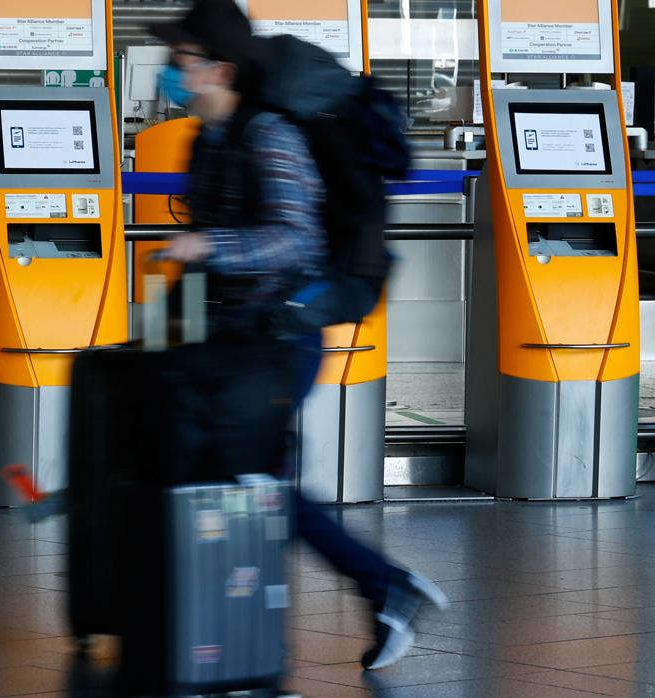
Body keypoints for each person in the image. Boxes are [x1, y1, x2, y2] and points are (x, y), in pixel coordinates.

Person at [149, 0, 448, 671]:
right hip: (233, 333)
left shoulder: (269, 136)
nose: (172, 71)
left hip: (282, 336)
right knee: (246, 481)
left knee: (257, 483)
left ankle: (256, 641)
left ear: (219, 68)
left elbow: (293, 238)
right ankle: (240, 634)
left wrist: (208, 244)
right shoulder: (209, 139)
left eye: (183, 59)